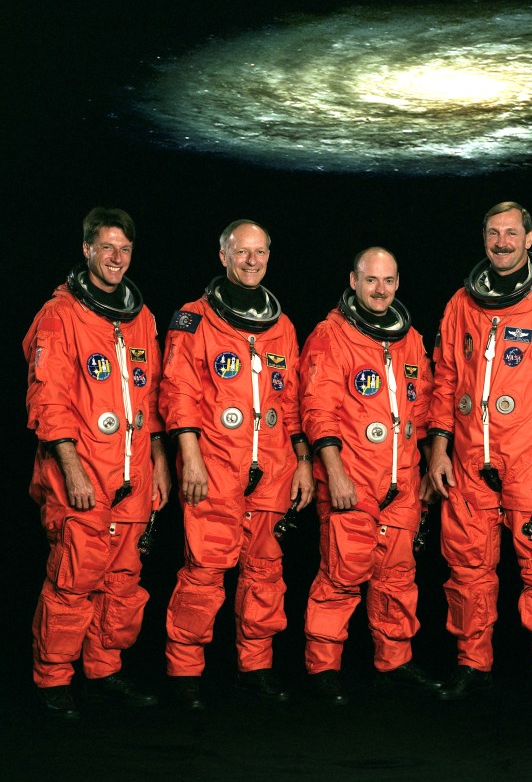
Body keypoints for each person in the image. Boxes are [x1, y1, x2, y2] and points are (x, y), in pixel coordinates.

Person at [427, 201, 532, 711]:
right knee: (469, 570)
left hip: (530, 460)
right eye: (494, 234)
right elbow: (446, 377)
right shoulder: (461, 303)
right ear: (484, 239)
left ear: (530, 237)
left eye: (511, 233)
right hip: (470, 461)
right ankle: (473, 667)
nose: (502, 242)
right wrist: (438, 445)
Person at [25, 207, 172, 719]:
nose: (115, 258)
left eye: (124, 249)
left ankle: (104, 671)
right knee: (72, 581)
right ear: (86, 249)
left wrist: (159, 465)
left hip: (132, 478)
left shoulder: (142, 318)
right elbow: (49, 403)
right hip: (82, 476)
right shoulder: (59, 316)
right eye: (106, 247)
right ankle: (53, 680)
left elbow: (152, 400)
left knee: (122, 583)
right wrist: (72, 471)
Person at [160, 220, 313, 709]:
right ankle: (185, 672)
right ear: (222, 255)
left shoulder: (282, 325)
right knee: (204, 571)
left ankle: (256, 666)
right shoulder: (193, 319)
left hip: (271, 468)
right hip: (215, 467)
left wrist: (302, 462)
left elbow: (289, 404)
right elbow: (178, 395)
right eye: (241, 252)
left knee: (265, 572)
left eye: (260, 253)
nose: (252, 261)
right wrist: (190, 460)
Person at [299, 247, 439, 704]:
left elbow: (421, 410)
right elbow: (318, 412)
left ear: (398, 284)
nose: (381, 290)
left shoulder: (411, 339)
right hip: (351, 479)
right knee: (340, 576)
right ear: (354, 281)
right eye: (371, 280)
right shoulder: (330, 335)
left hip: (401, 483)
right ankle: (323, 669)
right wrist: (334, 474)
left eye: (389, 281)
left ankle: (394, 663)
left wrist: (429, 464)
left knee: (397, 578)